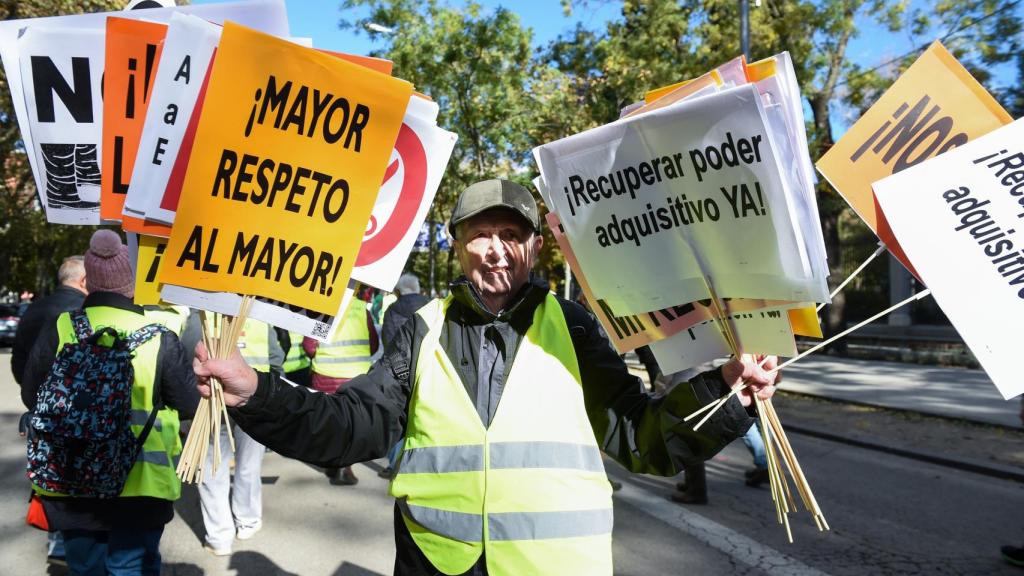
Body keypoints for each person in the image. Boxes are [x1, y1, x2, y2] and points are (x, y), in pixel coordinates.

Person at [194, 179, 778, 575]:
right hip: (437, 564)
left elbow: (644, 438)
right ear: (456, 246)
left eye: (512, 235)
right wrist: (257, 392)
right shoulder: (421, 327)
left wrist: (727, 392)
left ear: (536, 247)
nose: (496, 251)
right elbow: (351, 426)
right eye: (480, 234)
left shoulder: (574, 328)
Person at [22, 230, 199, 576]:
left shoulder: (62, 327)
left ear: (90, 282)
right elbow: (190, 403)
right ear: (132, 284)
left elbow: (32, 395)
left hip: (72, 476)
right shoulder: (159, 336)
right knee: (132, 567)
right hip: (141, 484)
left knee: (85, 567)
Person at [13, 254, 87, 569]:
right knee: (75, 478)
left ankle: (57, 542)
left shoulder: (33, 309)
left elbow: (19, 363)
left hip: (38, 407)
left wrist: (33, 402)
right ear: (84, 282)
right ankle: (68, 545)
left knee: (48, 475)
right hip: (71, 409)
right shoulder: (80, 313)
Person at [199, 318, 283, 556]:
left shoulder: (204, 312)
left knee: (211, 467)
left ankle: (219, 537)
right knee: (248, 465)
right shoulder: (260, 318)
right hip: (253, 401)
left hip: (212, 401)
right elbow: (276, 359)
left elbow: (186, 356)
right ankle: (247, 522)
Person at [302, 296, 380, 485]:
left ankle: (333, 463)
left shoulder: (324, 307)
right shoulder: (362, 310)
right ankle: (347, 467)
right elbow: (373, 345)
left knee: (329, 421)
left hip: (326, 375)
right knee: (353, 424)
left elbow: (309, 345)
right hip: (356, 376)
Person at [12, 255, 87, 386]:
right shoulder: (85, 310)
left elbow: (19, 357)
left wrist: (31, 392)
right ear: (84, 281)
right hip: (74, 395)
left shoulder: (32, 308)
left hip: (36, 395)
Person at [380, 273, 429, 348]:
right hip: (429, 358)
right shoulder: (432, 306)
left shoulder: (391, 311)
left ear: (398, 291)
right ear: (417, 288)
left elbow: (388, 343)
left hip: (400, 357)